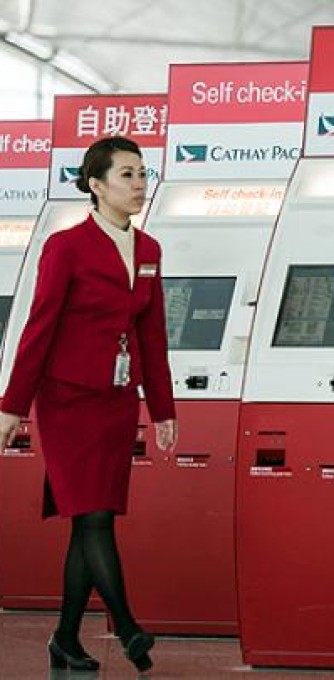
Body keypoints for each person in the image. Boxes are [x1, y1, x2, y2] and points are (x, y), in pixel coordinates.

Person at [0, 136, 177, 673]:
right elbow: (39, 327)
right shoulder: (66, 246)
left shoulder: (148, 250)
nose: (139, 184)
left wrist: (164, 410)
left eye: (142, 174)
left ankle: (66, 640)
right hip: (67, 401)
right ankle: (126, 626)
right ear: (96, 186)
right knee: (95, 516)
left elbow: (152, 335)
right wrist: (13, 406)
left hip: (116, 402)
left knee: (87, 521)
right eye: (127, 175)